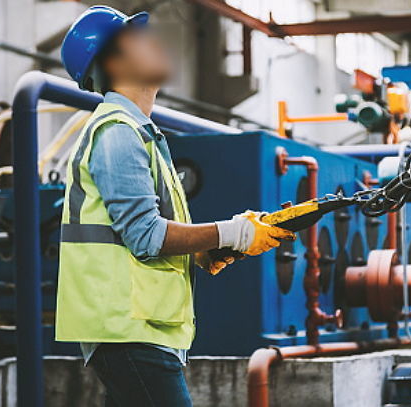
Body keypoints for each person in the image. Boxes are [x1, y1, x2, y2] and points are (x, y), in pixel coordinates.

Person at [56, 6, 295, 407]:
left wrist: (200, 249)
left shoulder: (141, 135)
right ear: (114, 61)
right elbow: (145, 235)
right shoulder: (118, 133)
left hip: (138, 329)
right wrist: (234, 231)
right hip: (127, 331)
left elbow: (140, 232)